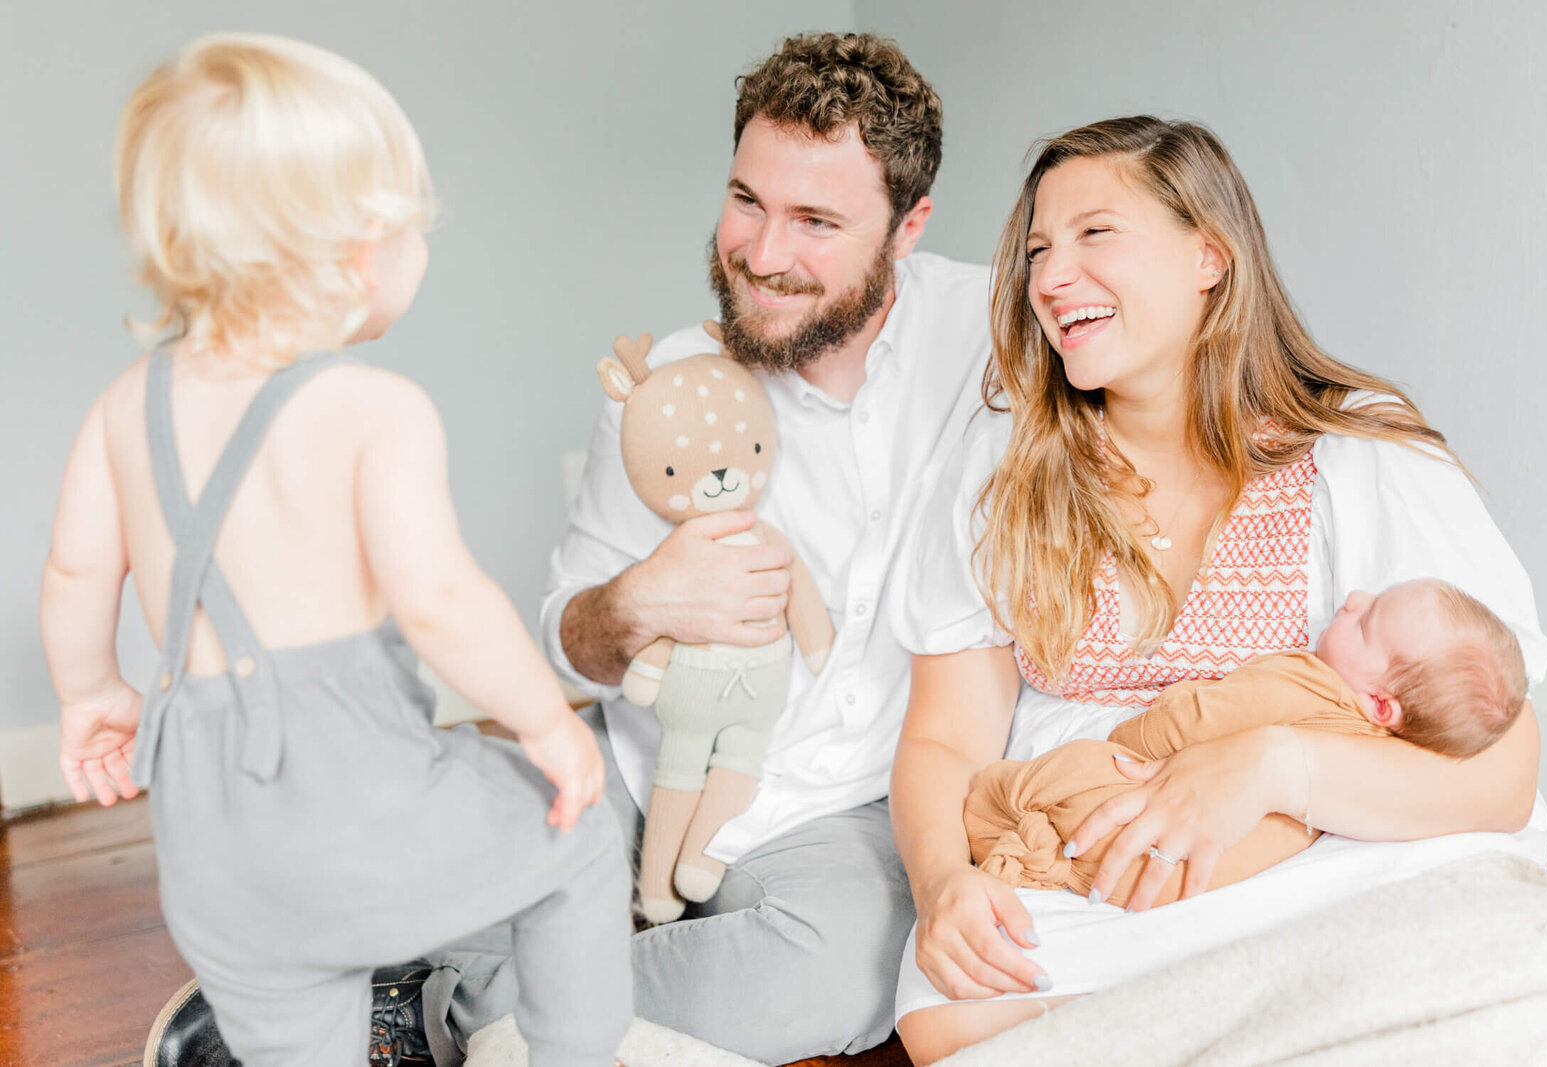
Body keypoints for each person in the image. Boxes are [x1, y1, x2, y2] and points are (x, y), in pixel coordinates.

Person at [884, 116, 1547, 1066]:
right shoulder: (1004, 472)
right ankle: (1264, 1016)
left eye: (1094, 235)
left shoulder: (1358, 457)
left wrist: (1275, 768)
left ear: (1209, 255)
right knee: (942, 1005)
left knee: (1465, 889)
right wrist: (944, 884)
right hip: (1095, 874)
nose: (1049, 278)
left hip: (1313, 854)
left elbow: (1503, 770)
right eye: (1037, 249)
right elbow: (946, 738)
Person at [39, 34, 631, 1067]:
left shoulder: (125, 406)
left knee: (297, 1028)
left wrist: (92, 695)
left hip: (211, 846)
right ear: (363, 245)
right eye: (416, 228)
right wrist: (550, 722)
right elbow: (440, 595)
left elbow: (76, 572)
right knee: (576, 838)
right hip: (354, 811)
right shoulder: (372, 409)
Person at [421, 32, 993, 1066]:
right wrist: (640, 601)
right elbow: (566, 637)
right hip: (645, 779)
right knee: (421, 826)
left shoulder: (996, 334)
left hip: (841, 811)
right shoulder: (667, 386)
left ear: (908, 226)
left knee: (843, 977)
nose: (763, 254)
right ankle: (484, 998)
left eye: (816, 221)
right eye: (746, 200)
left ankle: (462, 1012)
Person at [965, 578, 1529, 906]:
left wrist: (1132, 737)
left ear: (1382, 704)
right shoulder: (1376, 752)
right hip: (1199, 878)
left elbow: (1197, 721)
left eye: (1366, 623)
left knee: (1009, 788)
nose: (1353, 598)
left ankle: (1016, 843)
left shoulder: (1304, 680)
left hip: (1128, 827)